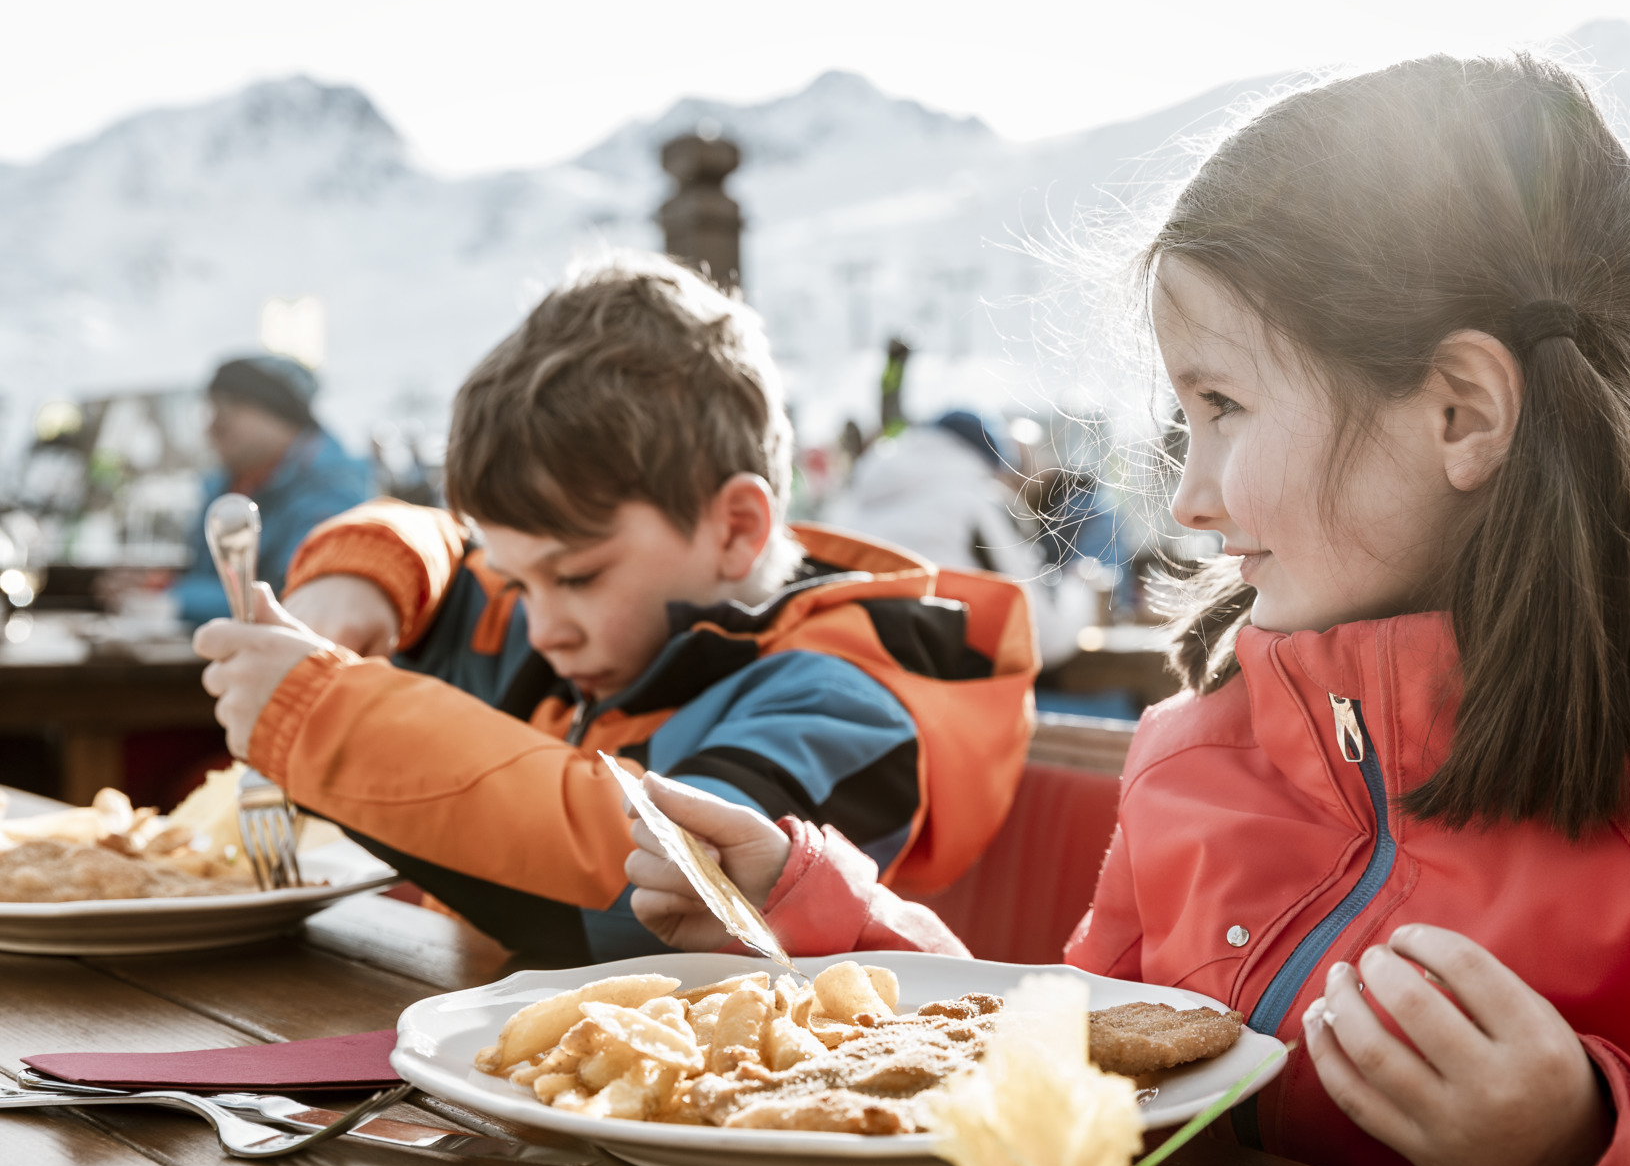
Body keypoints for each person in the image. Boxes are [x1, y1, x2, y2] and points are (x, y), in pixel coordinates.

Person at [617, 58, 1630, 1166]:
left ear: (1461, 413)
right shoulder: (1217, 731)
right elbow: (1081, 1071)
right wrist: (808, 920)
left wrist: (1583, 1153)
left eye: (1224, 407)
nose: (1187, 499)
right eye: (1184, 421)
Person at [192, 256, 1038, 962]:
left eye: (580, 577)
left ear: (737, 528)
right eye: (519, 582)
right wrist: (362, 574)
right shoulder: (566, 623)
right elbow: (441, 549)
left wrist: (323, 719)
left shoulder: (841, 704)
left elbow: (641, 895)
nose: (541, 623)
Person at [823, 408, 1096, 667]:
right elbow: (1043, 635)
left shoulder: (851, 501)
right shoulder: (977, 502)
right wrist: (1081, 592)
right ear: (995, 463)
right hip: (936, 691)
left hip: (847, 665)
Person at [171, 354, 372, 625]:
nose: (212, 428)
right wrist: (164, 586)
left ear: (280, 416)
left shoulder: (333, 491)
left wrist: (175, 599)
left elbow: (293, 598)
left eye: (227, 412)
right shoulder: (230, 483)